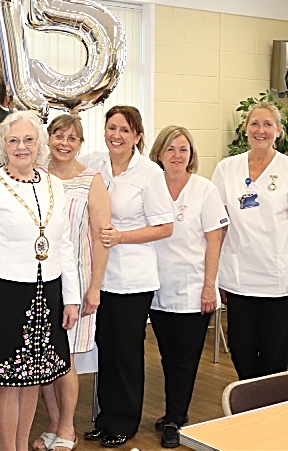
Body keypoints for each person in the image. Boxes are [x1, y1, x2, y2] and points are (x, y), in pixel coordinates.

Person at [0, 110, 80, 451]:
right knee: (8, 380)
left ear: (40, 144)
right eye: (13, 141)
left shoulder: (54, 184)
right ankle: (9, 448)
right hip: (4, 293)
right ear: (2, 146)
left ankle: (22, 444)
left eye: (29, 140)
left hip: (48, 292)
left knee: (33, 378)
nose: (21, 147)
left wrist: (70, 298)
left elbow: (65, 244)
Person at [80, 105, 174, 448]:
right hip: (100, 276)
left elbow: (165, 226)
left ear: (137, 136)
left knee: (127, 353)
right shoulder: (94, 163)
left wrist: (122, 236)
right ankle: (105, 418)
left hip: (134, 278)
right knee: (105, 348)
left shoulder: (149, 172)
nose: (116, 135)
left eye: (124, 130)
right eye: (111, 128)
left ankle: (125, 421)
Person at [147, 126, 228, 448]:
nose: (177, 156)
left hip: (194, 287)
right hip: (156, 286)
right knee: (167, 357)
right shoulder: (150, 187)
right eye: (170, 149)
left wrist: (210, 287)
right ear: (159, 154)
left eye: (183, 149)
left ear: (191, 155)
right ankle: (173, 411)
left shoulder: (204, 189)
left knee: (185, 359)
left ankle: (175, 419)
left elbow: (214, 239)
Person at [33, 114, 111, 451]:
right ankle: (52, 423)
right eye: (58, 136)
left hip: (75, 284)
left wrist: (94, 287)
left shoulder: (91, 180)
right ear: (48, 138)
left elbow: (101, 237)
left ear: (80, 143)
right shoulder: (35, 176)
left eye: (72, 138)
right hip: (38, 282)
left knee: (66, 358)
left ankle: (68, 428)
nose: (64, 143)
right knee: (44, 356)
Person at [211, 101, 288, 381]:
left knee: (274, 355)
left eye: (268, 124)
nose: (261, 130)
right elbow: (216, 224)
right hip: (240, 277)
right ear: (246, 129)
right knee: (241, 349)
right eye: (255, 123)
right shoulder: (227, 169)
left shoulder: (286, 168)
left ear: (278, 131)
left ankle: (268, 414)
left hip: (277, 280)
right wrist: (214, 275)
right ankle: (249, 402)